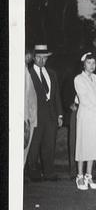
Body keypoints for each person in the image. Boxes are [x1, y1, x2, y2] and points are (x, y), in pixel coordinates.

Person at [26, 44, 63, 182]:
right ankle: (33, 173)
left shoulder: (52, 73)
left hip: (51, 116)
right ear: (34, 58)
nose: (42, 60)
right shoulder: (28, 73)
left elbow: (56, 96)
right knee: (34, 145)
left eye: (44, 58)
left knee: (49, 145)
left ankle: (49, 172)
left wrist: (60, 114)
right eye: (39, 57)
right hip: (35, 116)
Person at [74, 53, 96, 190]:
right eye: (89, 63)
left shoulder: (95, 78)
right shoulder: (78, 79)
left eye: (94, 63)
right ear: (84, 64)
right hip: (86, 114)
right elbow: (84, 99)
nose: (92, 66)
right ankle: (80, 175)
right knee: (83, 144)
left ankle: (89, 174)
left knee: (93, 145)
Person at [24, 52, 39, 166]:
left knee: (25, 147)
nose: (28, 57)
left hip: (29, 118)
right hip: (22, 117)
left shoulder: (26, 71)